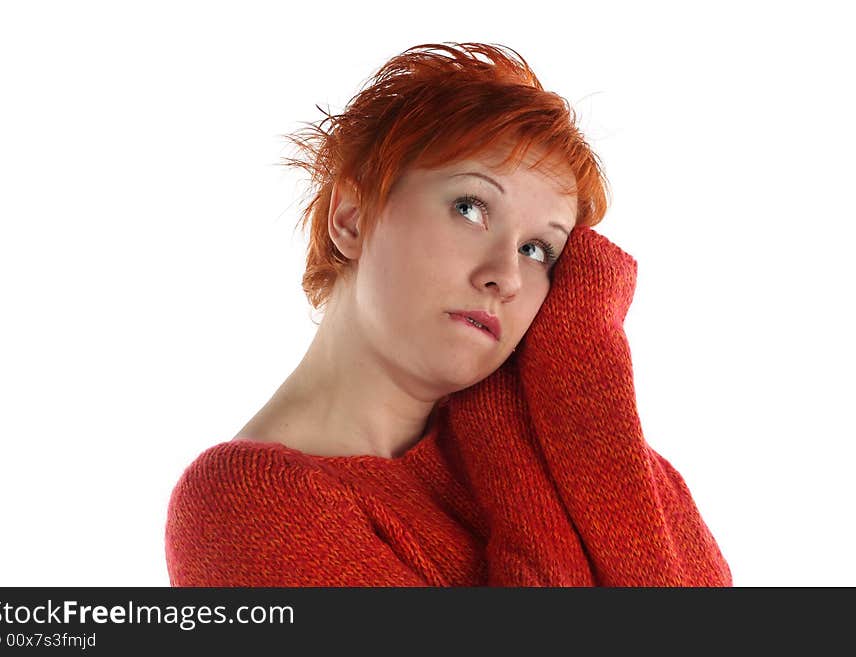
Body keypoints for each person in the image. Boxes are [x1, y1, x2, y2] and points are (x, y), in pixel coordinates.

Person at [164, 42, 733, 587]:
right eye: (471, 207)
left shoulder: (548, 438)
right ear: (352, 217)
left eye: (539, 250)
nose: (506, 276)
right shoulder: (248, 505)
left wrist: (576, 357)